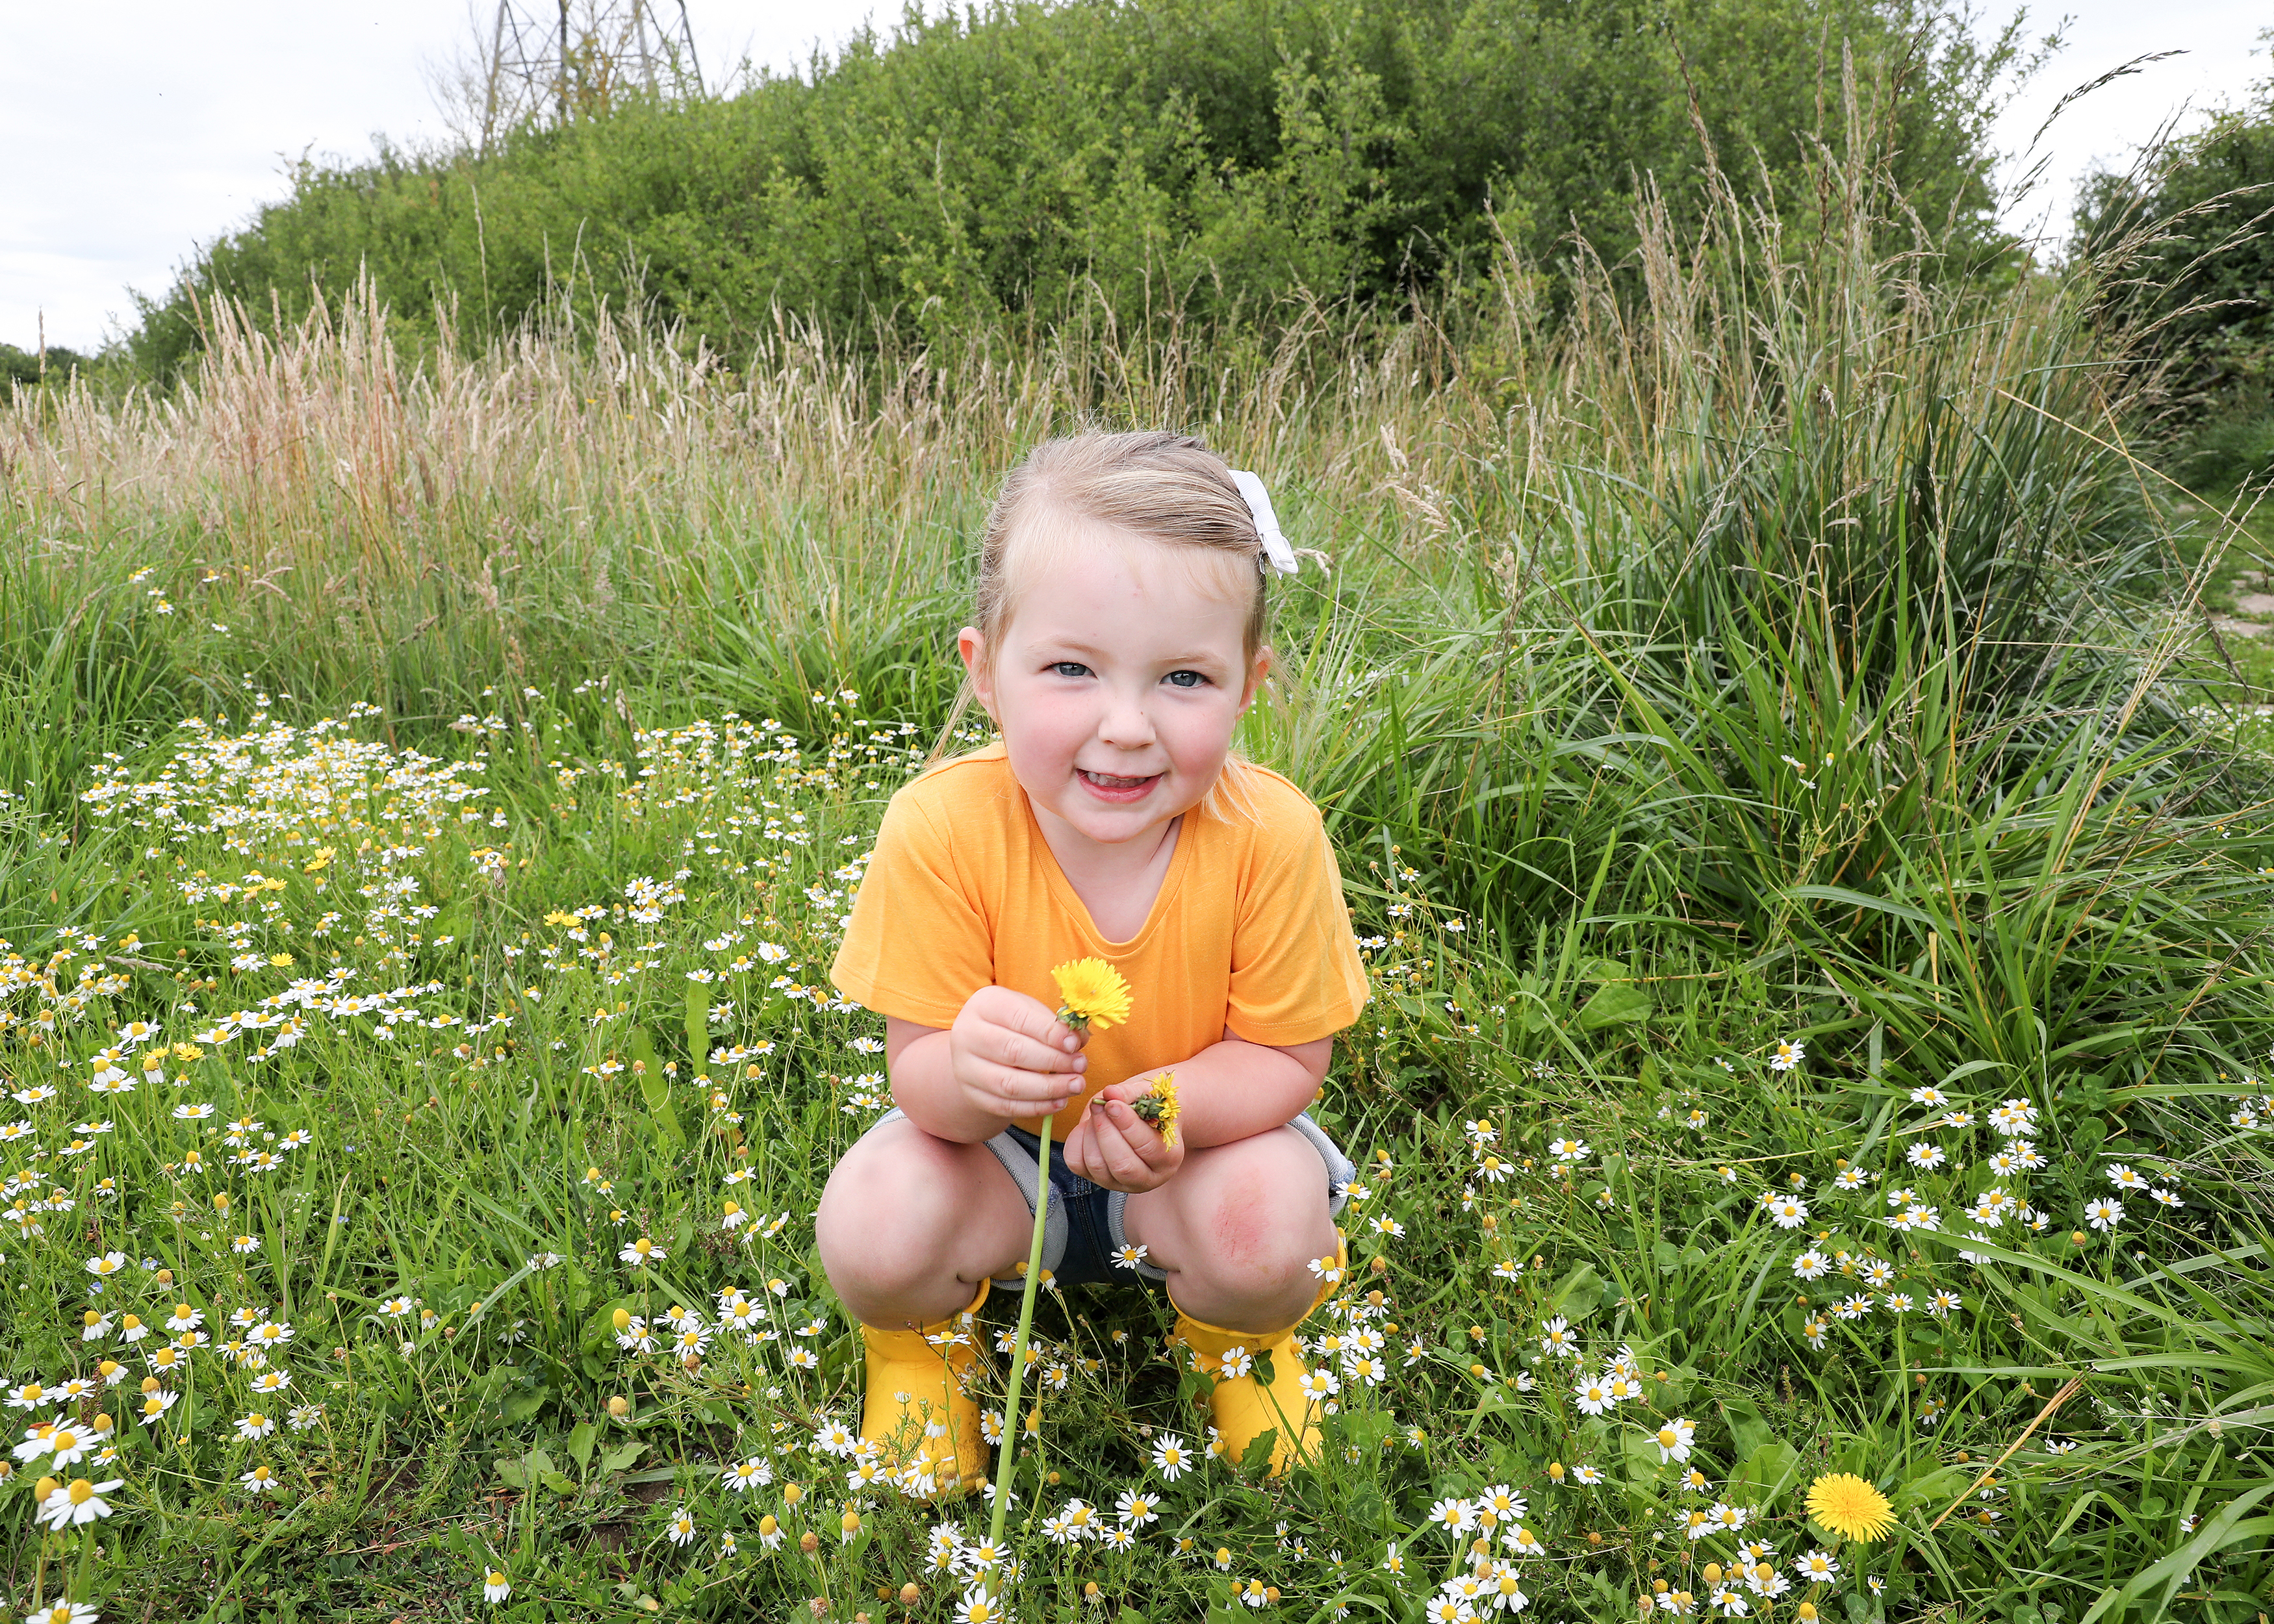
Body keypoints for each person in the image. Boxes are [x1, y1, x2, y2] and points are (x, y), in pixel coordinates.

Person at [817, 429, 1370, 1497]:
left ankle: (1240, 1344)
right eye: (1072, 669)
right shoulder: (940, 826)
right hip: (999, 1166)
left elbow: (1289, 1056)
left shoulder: (1272, 836)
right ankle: (916, 1355)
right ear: (989, 673)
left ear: (1250, 684)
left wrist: (1170, 1104)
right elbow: (919, 1075)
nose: (1126, 727)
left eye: (1183, 678)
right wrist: (967, 1072)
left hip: (1192, 1159)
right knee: (875, 1222)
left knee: (1268, 1228)